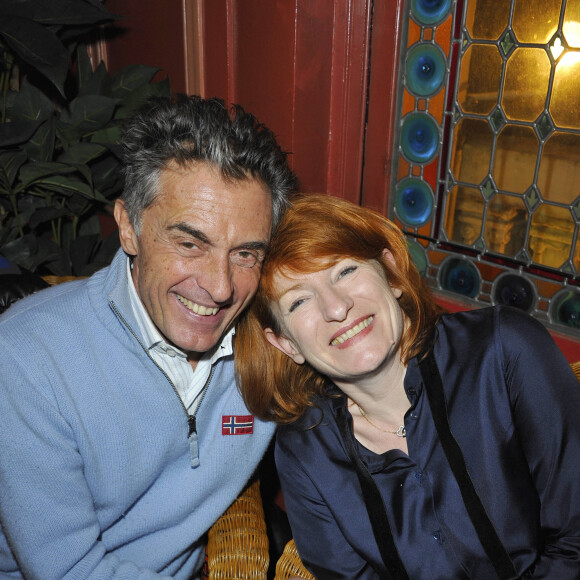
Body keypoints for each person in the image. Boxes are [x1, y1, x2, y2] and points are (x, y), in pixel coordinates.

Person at [0, 94, 298, 579]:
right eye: (189, 243)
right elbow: (67, 570)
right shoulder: (25, 360)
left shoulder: (272, 346)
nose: (221, 288)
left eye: (246, 254)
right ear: (129, 228)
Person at [235, 193, 580, 579]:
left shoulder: (504, 353)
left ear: (391, 273)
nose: (336, 308)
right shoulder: (305, 449)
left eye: (345, 271)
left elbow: (575, 539)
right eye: (299, 302)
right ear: (286, 344)